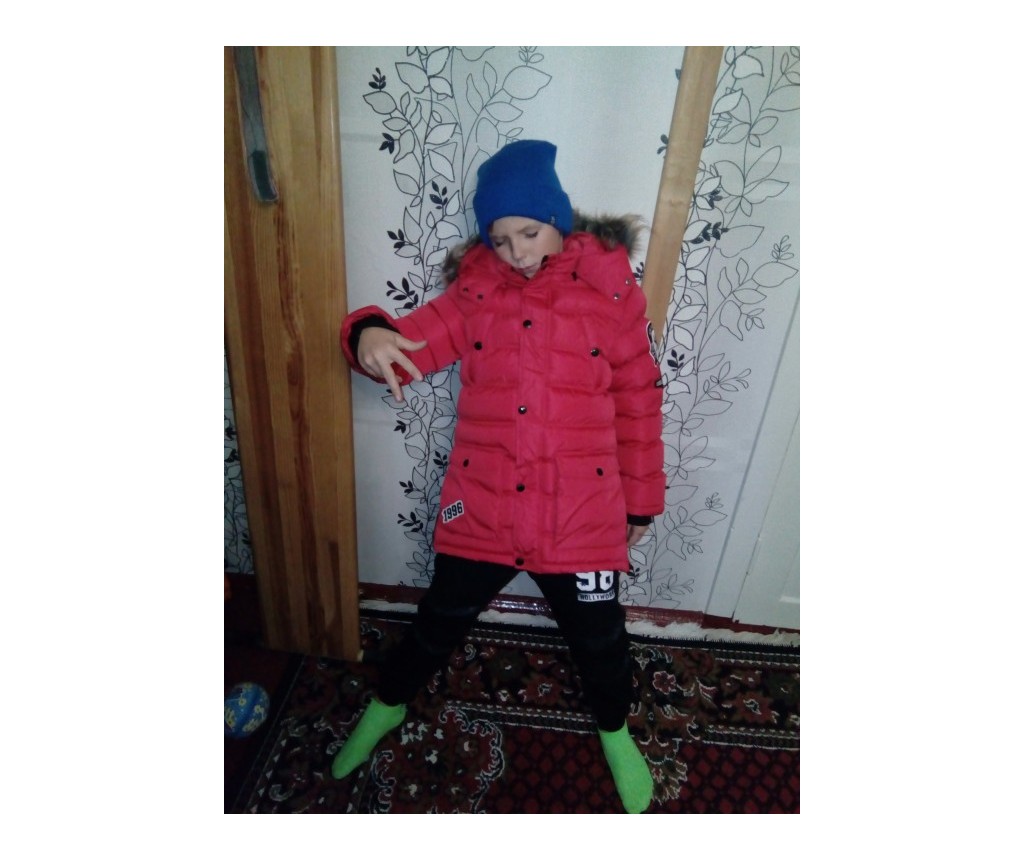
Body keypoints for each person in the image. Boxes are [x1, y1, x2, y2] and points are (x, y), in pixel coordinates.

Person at [333, 139, 665, 813]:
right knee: (438, 619)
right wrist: (366, 334)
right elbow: (407, 342)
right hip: (484, 507)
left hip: (581, 514)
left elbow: (638, 398)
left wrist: (640, 503)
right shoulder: (475, 293)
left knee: (600, 639)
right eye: (500, 238)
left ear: (558, 219)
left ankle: (614, 730)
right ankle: (388, 703)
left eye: (529, 233)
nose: (516, 252)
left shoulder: (611, 292)